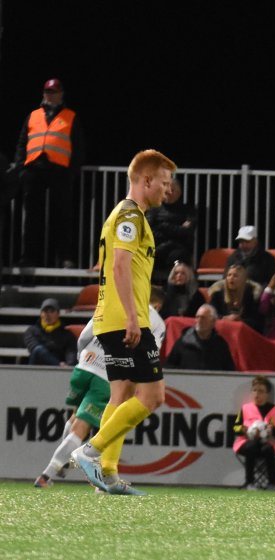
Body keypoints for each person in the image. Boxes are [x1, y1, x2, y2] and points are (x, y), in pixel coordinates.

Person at [71, 149, 177, 496]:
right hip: (125, 318)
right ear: (146, 180)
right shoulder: (130, 215)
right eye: (164, 182)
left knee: (122, 394)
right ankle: (90, 451)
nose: (168, 189)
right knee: (153, 396)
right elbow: (119, 265)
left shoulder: (124, 214)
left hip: (111, 318)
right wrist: (133, 317)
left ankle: (108, 476)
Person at [35, 303, 166, 488]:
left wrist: (82, 358)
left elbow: (84, 335)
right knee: (81, 427)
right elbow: (150, 352)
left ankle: (63, 465)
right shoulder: (154, 320)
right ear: (158, 304)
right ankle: (47, 475)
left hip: (83, 367)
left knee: (75, 416)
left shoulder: (113, 304)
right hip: (105, 376)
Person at [13, 78, 85, 267]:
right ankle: (29, 257)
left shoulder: (70, 116)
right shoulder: (33, 115)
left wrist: (71, 171)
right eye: (48, 92)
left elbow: (78, 148)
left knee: (62, 215)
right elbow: (22, 143)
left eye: (54, 92)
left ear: (61, 94)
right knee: (32, 217)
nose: (50, 95)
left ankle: (64, 257)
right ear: (44, 94)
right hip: (34, 169)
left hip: (59, 171)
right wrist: (21, 168)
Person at [232, 376, 275, 490]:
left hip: (268, 443)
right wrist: (243, 429)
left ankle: (272, 483)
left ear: (267, 394)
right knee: (251, 446)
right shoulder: (245, 408)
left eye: (261, 391)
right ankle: (249, 483)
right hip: (247, 442)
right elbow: (235, 427)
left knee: (268, 449)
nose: (257, 394)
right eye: (254, 390)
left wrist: (273, 430)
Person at [146, 179, 198, 282]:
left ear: (179, 193)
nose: (169, 193)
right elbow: (149, 231)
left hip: (178, 249)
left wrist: (161, 226)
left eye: (172, 190)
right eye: (166, 191)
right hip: (157, 248)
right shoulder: (153, 210)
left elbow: (186, 232)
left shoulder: (188, 211)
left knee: (178, 256)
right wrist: (177, 228)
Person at [165, 304, 236, 371]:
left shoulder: (220, 345)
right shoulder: (182, 342)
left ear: (213, 322)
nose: (199, 320)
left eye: (203, 318)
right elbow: (169, 366)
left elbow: (229, 370)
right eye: (197, 317)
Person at [209, 263, 263, 333]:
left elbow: (257, 322)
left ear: (243, 279)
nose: (231, 278)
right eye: (229, 275)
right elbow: (210, 315)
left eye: (235, 276)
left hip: (243, 332)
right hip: (221, 331)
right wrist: (224, 318)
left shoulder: (250, 296)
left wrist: (241, 320)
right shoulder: (217, 295)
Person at [24, 298, 77, 367]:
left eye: (52, 311)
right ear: (41, 314)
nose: (48, 315)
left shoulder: (67, 334)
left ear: (58, 314)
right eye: (45, 311)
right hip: (37, 368)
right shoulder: (31, 331)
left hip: (59, 371)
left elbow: (71, 353)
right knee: (38, 350)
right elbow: (35, 349)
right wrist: (58, 364)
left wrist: (69, 366)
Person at [225, 225, 275, 291]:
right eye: (241, 242)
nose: (244, 245)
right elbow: (225, 279)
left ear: (255, 242)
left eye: (247, 242)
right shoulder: (232, 258)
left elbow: (271, 282)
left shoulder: (268, 259)